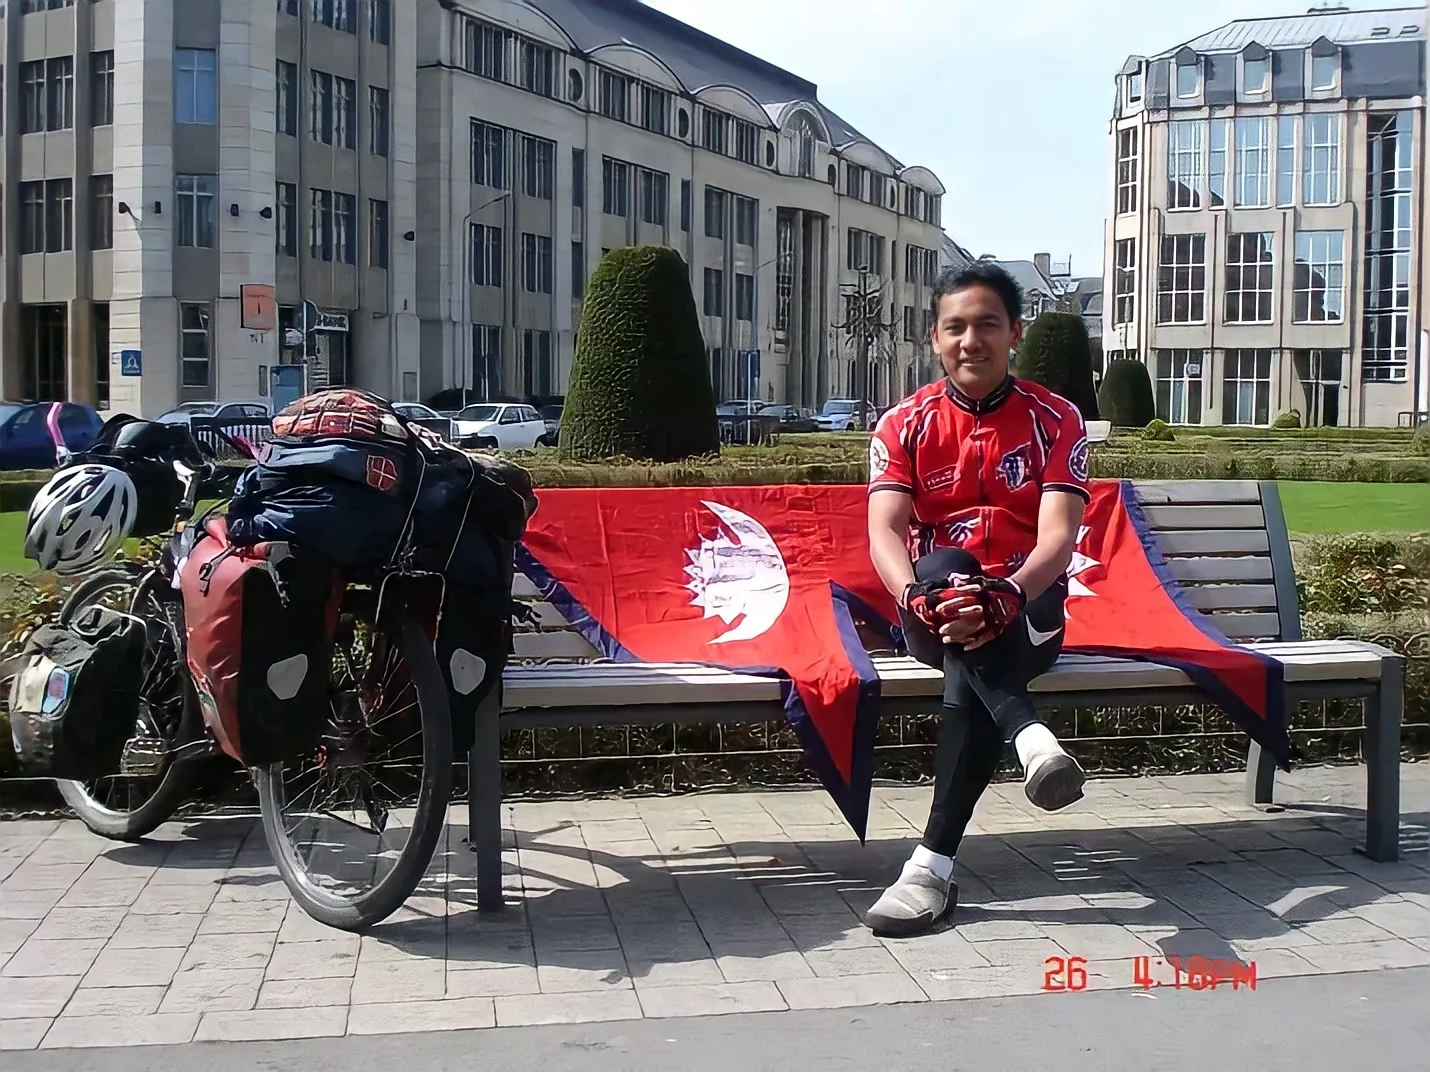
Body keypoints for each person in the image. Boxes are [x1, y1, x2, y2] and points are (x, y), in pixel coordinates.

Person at [863, 261, 1091, 937]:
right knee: (947, 566)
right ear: (934, 339)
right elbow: (883, 531)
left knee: (976, 639)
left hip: (1028, 609)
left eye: (987, 325)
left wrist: (1011, 591)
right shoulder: (903, 424)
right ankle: (1030, 736)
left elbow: (1058, 538)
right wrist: (911, 595)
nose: (971, 341)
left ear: (1014, 333)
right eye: (955, 327)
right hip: (932, 608)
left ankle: (928, 872)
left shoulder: (1057, 418)